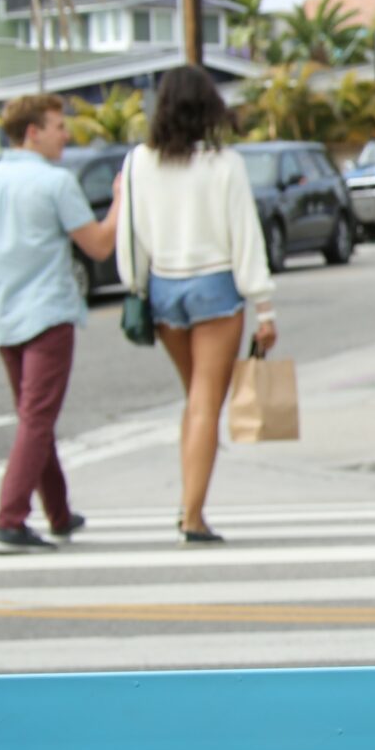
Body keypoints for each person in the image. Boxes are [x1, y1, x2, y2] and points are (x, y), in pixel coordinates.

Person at [0, 94, 121, 554]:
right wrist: (120, 203)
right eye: (58, 126)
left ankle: (58, 512)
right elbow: (98, 246)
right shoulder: (56, 183)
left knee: (32, 416)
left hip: (5, 318)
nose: (66, 134)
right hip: (48, 315)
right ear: (32, 132)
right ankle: (10, 519)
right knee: (36, 419)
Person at [115, 65, 277, 545]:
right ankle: (193, 515)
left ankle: (188, 499)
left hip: (165, 287)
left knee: (195, 401)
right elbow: (246, 238)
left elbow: (132, 235)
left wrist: (136, 285)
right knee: (207, 403)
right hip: (215, 287)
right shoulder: (224, 164)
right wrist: (264, 307)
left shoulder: (139, 162)